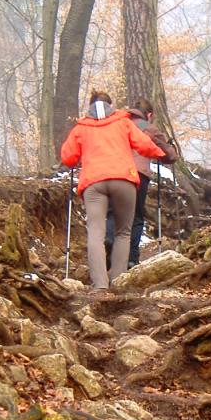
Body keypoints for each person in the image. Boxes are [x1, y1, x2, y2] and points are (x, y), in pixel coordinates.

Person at [60, 90, 167, 290]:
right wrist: (160, 153)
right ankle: (118, 282)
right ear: (111, 107)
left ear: (89, 107)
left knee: (95, 233)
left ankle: (100, 286)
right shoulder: (123, 122)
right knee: (123, 232)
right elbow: (145, 145)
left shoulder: (81, 127)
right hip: (123, 180)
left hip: (93, 184)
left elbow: (68, 157)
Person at [106, 98, 178, 268]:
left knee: (112, 213)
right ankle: (131, 258)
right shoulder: (149, 129)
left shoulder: (119, 124)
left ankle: (109, 245)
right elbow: (169, 156)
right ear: (150, 115)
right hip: (138, 176)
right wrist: (171, 147)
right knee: (136, 217)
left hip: (114, 172)